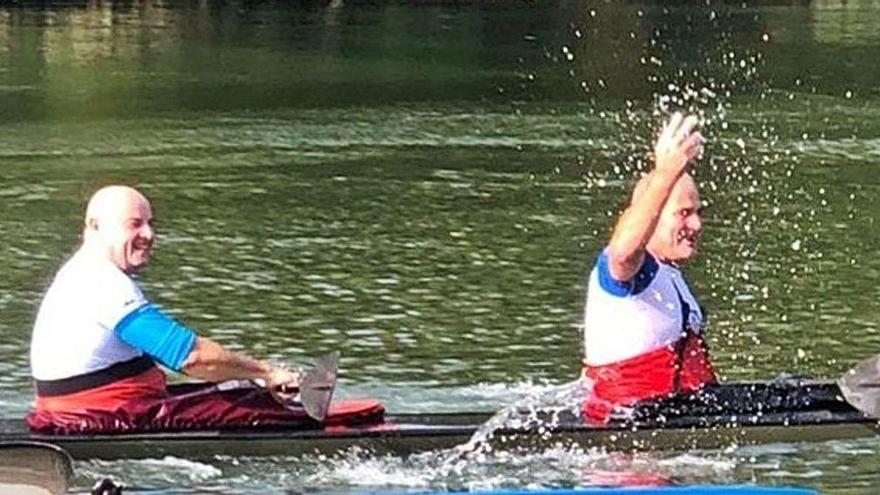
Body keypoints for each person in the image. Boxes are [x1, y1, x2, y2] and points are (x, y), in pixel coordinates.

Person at [27, 185, 382, 434]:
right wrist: (267, 371)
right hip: (99, 416)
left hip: (90, 408)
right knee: (271, 412)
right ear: (94, 227)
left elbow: (183, 359)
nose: (149, 234)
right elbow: (191, 357)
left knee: (238, 389)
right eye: (135, 224)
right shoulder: (102, 283)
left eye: (151, 224)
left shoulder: (82, 272)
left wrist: (251, 376)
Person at [581, 113, 717, 423]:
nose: (696, 224)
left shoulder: (668, 273)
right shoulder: (630, 272)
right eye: (684, 213)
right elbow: (622, 251)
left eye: (698, 213)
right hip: (627, 437)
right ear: (653, 215)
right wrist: (666, 172)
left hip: (678, 413)